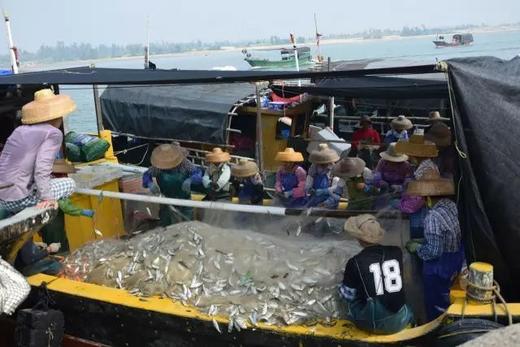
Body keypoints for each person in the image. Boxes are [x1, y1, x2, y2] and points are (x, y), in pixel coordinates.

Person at [0, 89, 76, 214]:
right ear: (58, 116)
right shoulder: (53, 133)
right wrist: (47, 197)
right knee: (70, 183)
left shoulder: (19, 130)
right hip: (19, 199)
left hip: (2, 198)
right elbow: (41, 169)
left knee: (47, 180)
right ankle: (50, 206)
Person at [405, 170, 464, 321]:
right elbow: (447, 234)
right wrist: (424, 240)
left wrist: (417, 247)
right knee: (448, 297)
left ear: (428, 198)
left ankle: (437, 326)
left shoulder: (432, 217)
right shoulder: (452, 205)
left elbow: (433, 252)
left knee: (435, 303)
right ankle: (450, 319)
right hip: (456, 258)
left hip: (440, 267)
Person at [340, 214, 413, 334]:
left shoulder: (355, 262)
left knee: (351, 297)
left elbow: (348, 296)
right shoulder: (396, 251)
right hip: (402, 318)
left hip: (376, 324)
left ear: (359, 239)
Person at [40, 159, 95, 252]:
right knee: (59, 247)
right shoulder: (57, 188)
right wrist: (84, 212)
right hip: (53, 225)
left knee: (50, 243)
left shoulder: (45, 184)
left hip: (44, 223)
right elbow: (67, 207)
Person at [143, 143, 202, 225]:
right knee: (167, 226)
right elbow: (146, 175)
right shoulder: (158, 167)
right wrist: (149, 183)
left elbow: (197, 174)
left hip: (184, 201)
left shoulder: (185, 164)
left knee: (188, 225)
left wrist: (190, 180)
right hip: (166, 202)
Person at [306, 144, 341, 209]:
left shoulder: (334, 169)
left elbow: (337, 188)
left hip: (330, 198)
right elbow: (309, 180)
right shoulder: (313, 167)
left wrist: (325, 191)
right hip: (315, 197)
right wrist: (309, 189)